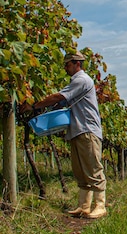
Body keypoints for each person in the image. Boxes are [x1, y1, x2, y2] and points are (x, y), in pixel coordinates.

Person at [22, 51, 107, 219]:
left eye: (67, 64)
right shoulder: (76, 81)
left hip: (87, 130)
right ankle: (84, 206)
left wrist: (34, 106)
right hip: (77, 130)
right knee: (80, 169)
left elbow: (59, 97)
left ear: (77, 64)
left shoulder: (81, 80)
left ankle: (100, 205)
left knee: (93, 167)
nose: (65, 68)